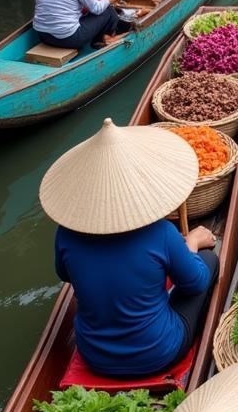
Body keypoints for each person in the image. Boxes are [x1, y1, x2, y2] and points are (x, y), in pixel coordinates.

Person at [41, 118, 219, 379]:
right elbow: (196, 283)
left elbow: (64, 275)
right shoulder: (161, 233)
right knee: (208, 261)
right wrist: (192, 243)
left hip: (95, 356)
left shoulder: (66, 234)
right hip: (159, 353)